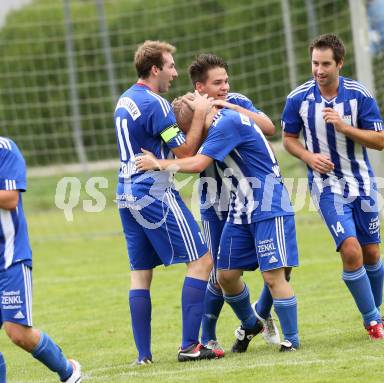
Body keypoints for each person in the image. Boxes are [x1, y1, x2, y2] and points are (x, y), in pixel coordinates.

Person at [136, 99, 300, 353]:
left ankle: (292, 340)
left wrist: (158, 163)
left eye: (191, 131)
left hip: (267, 203)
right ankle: (250, 322)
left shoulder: (227, 123)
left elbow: (197, 162)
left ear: (200, 121)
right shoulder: (219, 122)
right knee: (225, 274)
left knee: (273, 275)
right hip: (240, 206)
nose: (190, 139)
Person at [114, 40, 224, 364]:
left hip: (125, 190)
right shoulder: (156, 104)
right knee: (203, 260)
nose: (175, 73)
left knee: (140, 274)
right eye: (171, 66)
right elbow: (186, 153)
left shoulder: (125, 100)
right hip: (153, 189)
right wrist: (201, 115)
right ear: (155, 69)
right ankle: (190, 346)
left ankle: (143, 356)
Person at [281, 34, 384, 340]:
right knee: (351, 250)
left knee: (371, 253)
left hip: (363, 183)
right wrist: (308, 156)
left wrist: (344, 127)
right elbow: (288, 139)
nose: (319, 69)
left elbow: (380, 141)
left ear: (339, 63)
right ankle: (372, 322)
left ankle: (376, 312)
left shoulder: (359, 95)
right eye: (315, 63)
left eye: (326, 63)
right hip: (327, 187)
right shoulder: (298, 99)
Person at [186, 53, 281, 351]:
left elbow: (268, 127)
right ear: (200, 87)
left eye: (226, 80)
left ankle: (261, 315)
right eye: (217, 83)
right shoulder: (187, 110)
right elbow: (186, 151)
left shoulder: (235, 100)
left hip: (251, 197)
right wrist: (201, 118)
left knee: (279, 265)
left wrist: (231, 107)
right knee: (218, 271)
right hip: (216, 202)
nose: (225, 87)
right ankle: (208, 335)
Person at [0, 136, 81, 382]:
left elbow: (10, 198)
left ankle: (68, 371)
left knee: (18, 333)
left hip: (10, 258)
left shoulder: (5, 150)